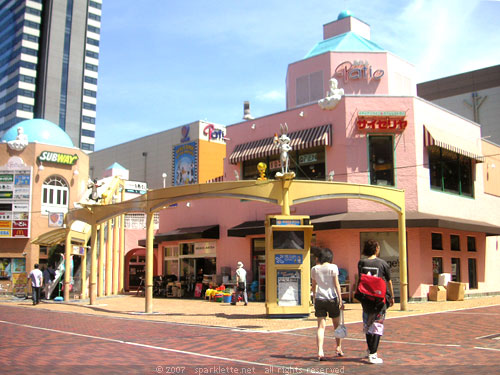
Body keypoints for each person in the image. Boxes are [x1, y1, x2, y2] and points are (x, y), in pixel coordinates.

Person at [355, 239, 395, 364]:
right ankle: (373, 354)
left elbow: (360, 279)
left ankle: (369, 350)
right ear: (376, 249)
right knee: (377, 325)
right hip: (379, 299)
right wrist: (392, 296)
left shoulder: (361, 262)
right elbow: (388, 281)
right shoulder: (382, 264)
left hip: (366, 298)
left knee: (367, 324)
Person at [311, 247, 344, 361]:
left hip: (320, 299)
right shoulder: (333, 267)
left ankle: (320, 351)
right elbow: (337, 285)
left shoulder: (314, 269)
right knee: (336, 325)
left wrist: (314, 298)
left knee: (320, 327)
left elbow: (314, 285)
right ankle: (338, 347)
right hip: (332, 298)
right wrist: (340, 300)